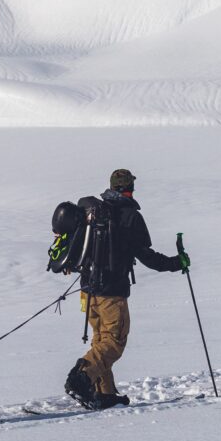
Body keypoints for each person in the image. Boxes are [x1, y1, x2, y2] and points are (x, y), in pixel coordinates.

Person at [65, 168, 186, 409]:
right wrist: (176, 263)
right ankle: (81, 378)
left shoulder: (94, 212)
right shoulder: (130, 216)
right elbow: (146, 256)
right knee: (114, 343)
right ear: (130, 187)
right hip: (111, 292)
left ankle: (105, 394)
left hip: (87, 291)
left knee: (101, 339)